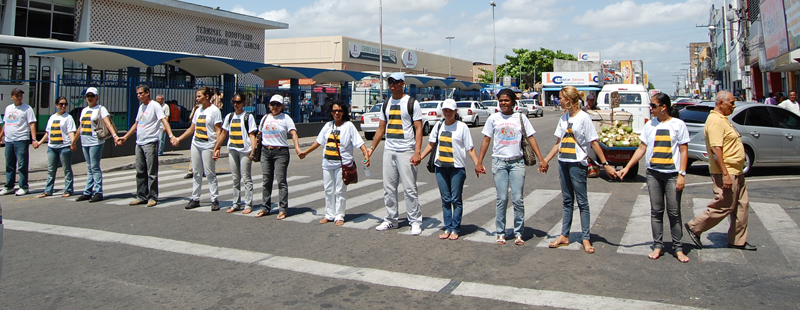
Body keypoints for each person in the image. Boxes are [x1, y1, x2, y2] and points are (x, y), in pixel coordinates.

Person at [541, 86, 618, 254]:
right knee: (567, 201)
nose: (558, 100)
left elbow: (594, 142)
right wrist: (545, 160)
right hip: (563, 162)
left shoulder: (584, 118)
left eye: (560, 98)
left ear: (568, 100)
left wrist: (606, 164)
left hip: (577, 164)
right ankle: (564, 235)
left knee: (582, 202)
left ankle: (585, 238)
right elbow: (558, 143)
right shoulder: (563, 118)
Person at [617, 93, 690, 263]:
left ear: (663, 107)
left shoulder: (678, 125)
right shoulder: (650, 125)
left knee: (674, 212)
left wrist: (682, 174)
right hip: (654, 174)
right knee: (656, 211)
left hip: (672, 175)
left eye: (653, 106)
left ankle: (678, 248)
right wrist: (627, 167)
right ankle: (658, 246)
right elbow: (642, 148)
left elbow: (684, 150)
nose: (650, 108)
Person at [684, 91, 757, 251]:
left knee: (741, 205)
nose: (734, 105)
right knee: (724, 204)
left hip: (736, 170)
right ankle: (695, 226)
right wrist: (725, 174)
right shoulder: (715, 121)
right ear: (721, 103)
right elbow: (716, 149)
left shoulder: (723, 119)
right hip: (727, 171)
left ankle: (738, 240)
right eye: (731, 102)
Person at [476, 89, 546, 245]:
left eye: (506, 100)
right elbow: (486, 140)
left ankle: (518, 232)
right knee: (502, 198)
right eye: (501, 100)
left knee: (518, 199)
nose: (503, 103)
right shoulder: (493, 118)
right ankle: (500, 232)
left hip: (517, 163)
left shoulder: (520, 117)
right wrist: (479, 162)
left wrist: (541, 159)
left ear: (513, 102)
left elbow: (531, 138)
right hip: (499, 163)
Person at [366, 73, 424, 235]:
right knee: (389, 187)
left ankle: (415, 220)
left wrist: (417, 151)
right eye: (390, 82)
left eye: (395, 82)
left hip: (406, 150)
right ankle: (391, 219)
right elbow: (381, 128)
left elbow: (418, 128)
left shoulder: (412, 103)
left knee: (409, 188)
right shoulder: (386, 103)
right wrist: (371, 148)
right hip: (389, 150)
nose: (392, 85)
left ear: (402, 84)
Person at [298, 102, 369, 225]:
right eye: (335, 111)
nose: (337, 113)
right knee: (328, 189)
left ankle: (339, 215)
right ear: (331, 112)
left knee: (340, 190)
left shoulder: (349, 126)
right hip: (327, 163)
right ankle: (329, 214)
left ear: (344, 113)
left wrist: (366, 154)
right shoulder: (328, 126)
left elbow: (359, 142)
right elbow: (318, 142)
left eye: (340, 111)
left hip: (342, 164)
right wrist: (306, 152)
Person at [421, 99, 480, 240]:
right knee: (445, 199)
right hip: (440, 167)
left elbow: (470, 148)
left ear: (455, 112)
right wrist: (419, 157)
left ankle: (455, 229)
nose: (447, 113)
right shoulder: (439, 125)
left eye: (450, 110)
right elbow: (431, 144)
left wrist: (478, 163)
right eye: (445, 110)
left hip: (457, 168)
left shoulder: (462, 127)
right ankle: (447, 227)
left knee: (456, 199)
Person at [116, 84, 177, 207]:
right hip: (139, 142)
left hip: (150, 142)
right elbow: (136, 124)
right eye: (137, 94)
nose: (139, 96)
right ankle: (141, 196)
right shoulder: (141, 107)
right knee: (140, 171)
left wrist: (171, 136)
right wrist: (125, 137)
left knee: (151, 172)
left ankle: (152, 197)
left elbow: (164, 120)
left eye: (141, 93)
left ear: (147, 93)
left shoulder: (154, 105)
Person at [173, 87, 223, 211]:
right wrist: (179, 139)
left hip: (208, 145)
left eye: (199, 96)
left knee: (209, 172)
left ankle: (214, 199)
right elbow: (192, 129)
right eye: (197, 96)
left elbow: (218, 131)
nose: (197, 98)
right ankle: (195, 198)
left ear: (207, 97)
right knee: (196, 172)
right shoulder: (198, 110)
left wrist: (217, 147)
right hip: (196, 144)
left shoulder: (214, 111)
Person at [257, 94, 301, 219]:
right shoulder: (265, 118)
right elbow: (259, 134)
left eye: (277, 105)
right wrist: (252, 150)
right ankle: (265, 207)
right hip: (266, 151)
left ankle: (283, 209)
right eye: (272, 104)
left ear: (282, 106)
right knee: (266, 181)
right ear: (269, 105)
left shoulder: (285, 118)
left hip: (280, 152)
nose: (274, 107)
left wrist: (297, 148)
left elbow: (293, 133)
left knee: (281, 181)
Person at [75, 87, 119, 202]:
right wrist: (74, 141)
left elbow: (108, 124)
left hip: (95, 141)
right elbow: (81, 127)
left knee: (94, 167)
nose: (90, 98)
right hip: (84, 142)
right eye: (88, 96)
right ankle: (87, 191)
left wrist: (115, 136)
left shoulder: (101, 109)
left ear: (97, 97)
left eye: (92, 96)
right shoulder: (84, 110)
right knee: (89, 167)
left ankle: (98, 192)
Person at [220, 93, 258, 214]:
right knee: (235, 178)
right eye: (234, 102)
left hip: (245, 150)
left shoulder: (248, 116)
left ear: (244, 103)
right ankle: (236, 203)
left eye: (239, 102)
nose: (236, 105)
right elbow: (224, 133)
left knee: (246, 177)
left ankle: (248, 204)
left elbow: (252, 134)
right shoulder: (229, 116)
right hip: (233, 149)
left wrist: (253, 150)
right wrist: (216, 147)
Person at [35, 97, 77, 198]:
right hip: (52, 147)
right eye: (61, 104)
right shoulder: (52, 117)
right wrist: (40, 142)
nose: (63, 106)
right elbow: (48, 133)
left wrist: (73, 143)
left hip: (64, 147)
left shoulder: (68, 117)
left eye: (65, 104)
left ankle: (68, 190)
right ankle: (48, 190)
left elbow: (71, 132)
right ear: (56, 105)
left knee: (66, 169)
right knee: (51, 170)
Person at [0, 88, 38, 196]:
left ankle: (23, 186)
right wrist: (1, 136)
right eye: (17, 95)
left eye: (21, 95)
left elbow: (31, 124)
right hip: (9, 140)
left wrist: (34, 139)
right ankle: (9, 186)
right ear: (12, 97)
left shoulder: (27, 108)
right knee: (9, 164)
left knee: (22, 164)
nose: (19, 97)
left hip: (21, 139)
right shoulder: (8, 108)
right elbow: (5, 123)